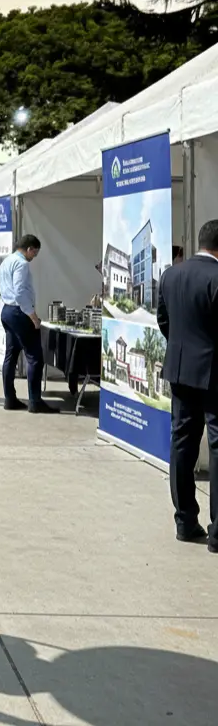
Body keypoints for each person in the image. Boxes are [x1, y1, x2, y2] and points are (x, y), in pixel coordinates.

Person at [157, 220, 218, 553]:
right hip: (212, 373)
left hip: (180, 371)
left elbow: (163, 321)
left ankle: (185, 521)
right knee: (217, 445)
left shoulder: (171, 274)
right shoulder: (216, 277)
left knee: (181, 443)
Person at [0, 234, 57, 414]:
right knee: (34, 358)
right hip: (19, 312)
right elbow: (20, 292)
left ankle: (9, 398)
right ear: (29, 248)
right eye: (35, 253)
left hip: (7, 310)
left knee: (11, 355)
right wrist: (33, 316)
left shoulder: (6, 261)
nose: (34, 258)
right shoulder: (22, 264)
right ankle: (35, 401)